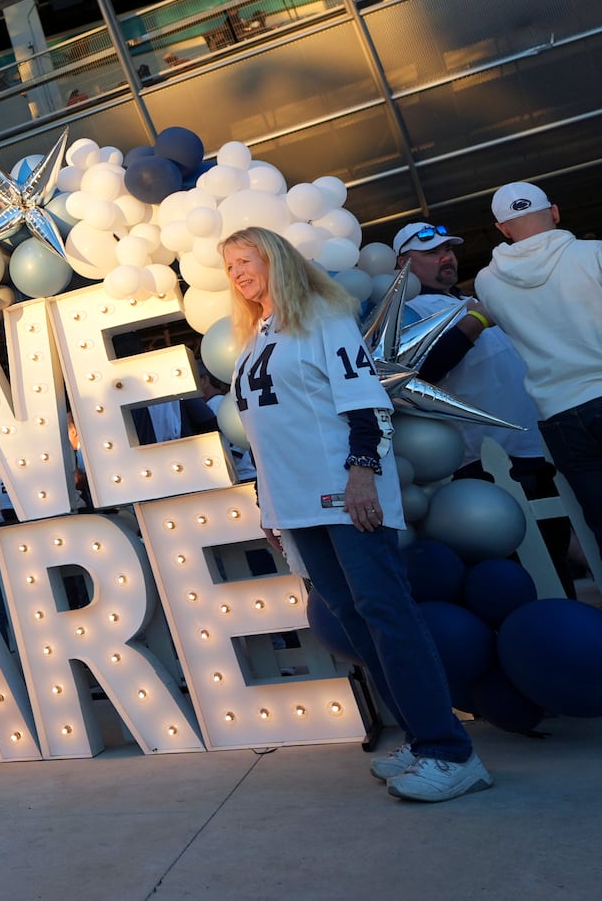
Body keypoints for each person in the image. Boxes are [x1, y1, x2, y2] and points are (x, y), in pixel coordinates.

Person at [221, 226, 492, 803]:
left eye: (247, 260)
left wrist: (362, 471)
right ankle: (423, 741)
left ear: (276, 261)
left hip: (343, 492)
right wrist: (269, 505)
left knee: (385, 612)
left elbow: (364, 400)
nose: (238, 273)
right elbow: (268, 434)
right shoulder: (256, 337)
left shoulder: (322, 316)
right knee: (353, 618)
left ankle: (452, 751)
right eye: (229, 266)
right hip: (295, 504)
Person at [391, 220, 574, 595]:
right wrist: (476, 320)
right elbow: (418, 371)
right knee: (519, 571)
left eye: (449, 250)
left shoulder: (463, 300)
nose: (446, 257)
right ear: (403, 264)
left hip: (533, 446)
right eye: (432, 253)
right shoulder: (407, 312)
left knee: (554, 557)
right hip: (483, 459)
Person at [474, 183, 602, 547]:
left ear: (502, 228)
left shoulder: (487, 281)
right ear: (556, 212)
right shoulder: (594, 254)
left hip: (559, 416)